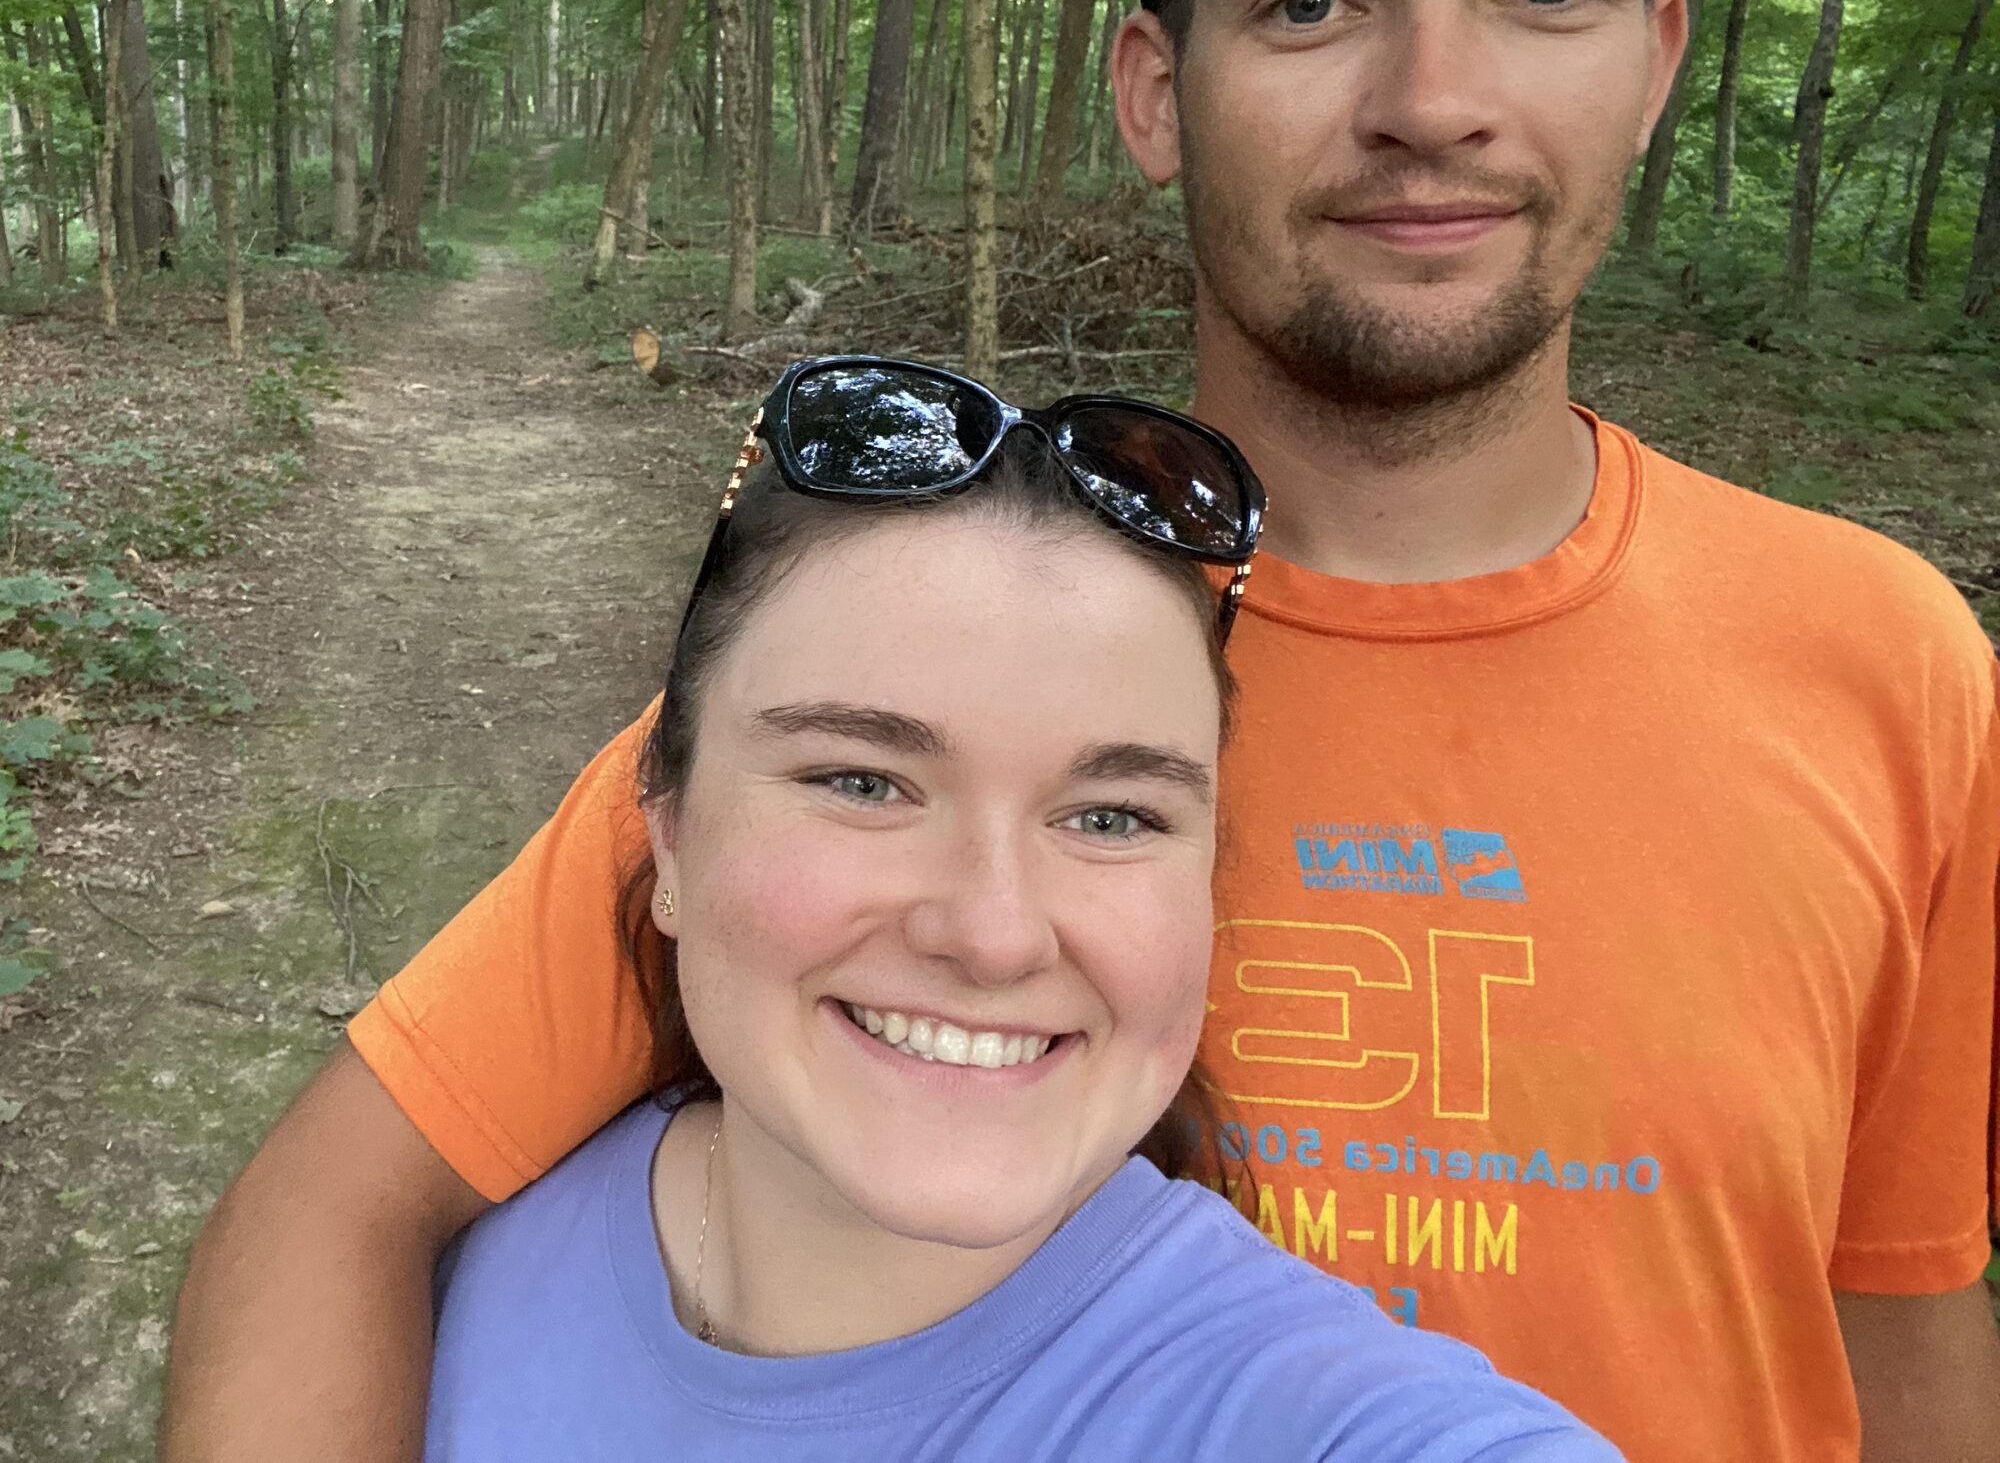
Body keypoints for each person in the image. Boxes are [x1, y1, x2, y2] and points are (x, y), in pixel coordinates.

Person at [163, 0, 2000, 1463]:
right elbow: (333, 1215)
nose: (1435, 102)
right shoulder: (924, 664)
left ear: (1660, 56)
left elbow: (1903, 1303)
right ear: (1153, 90)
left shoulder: (1890, 660)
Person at [420, 356, 1617, 1459]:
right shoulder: (444, 1267)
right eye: (863, 782)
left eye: (1109, 816)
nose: (994, 935)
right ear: (667, 823)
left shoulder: (1319, 1417)